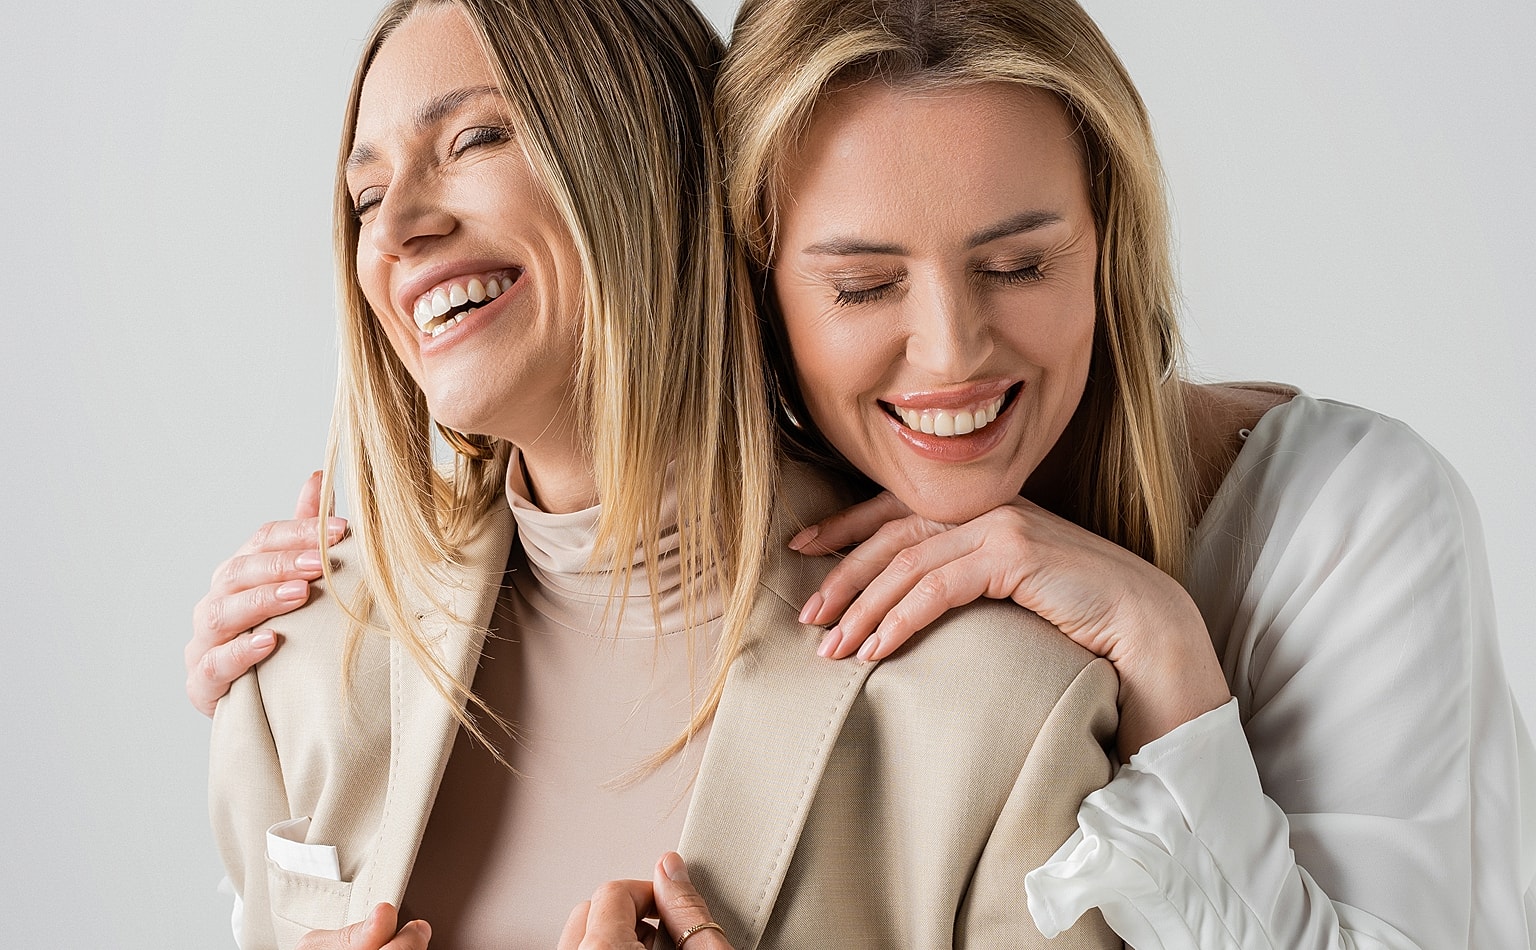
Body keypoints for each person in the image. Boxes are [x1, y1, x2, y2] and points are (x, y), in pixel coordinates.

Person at [196, 0, 1536, 947]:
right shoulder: (313, 662)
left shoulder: (1337, 527)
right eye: (862, 283)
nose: (950, 352)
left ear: (1111, 242)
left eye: (1018, 263)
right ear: (752, 279)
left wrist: (1165, 647)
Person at [203, 0, 1121, 947]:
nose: (396, 226)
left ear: (656, 154)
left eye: (475, 139)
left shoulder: (1005, 704)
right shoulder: (291, 668)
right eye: (365, 197)